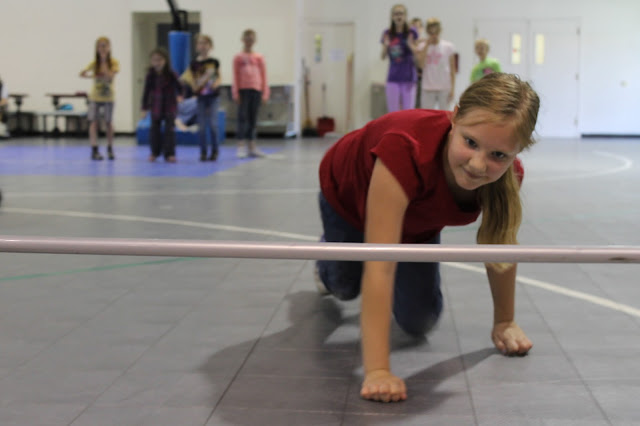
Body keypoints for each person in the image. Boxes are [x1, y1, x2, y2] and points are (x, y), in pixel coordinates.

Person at [317, 73, 539, 403]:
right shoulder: (405, 147)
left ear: (518, 150)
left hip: (416, 220)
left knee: (419, 321)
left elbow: (500, 246)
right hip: (349, 200)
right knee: (344, 286)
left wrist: (505, 321)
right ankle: (327, 259)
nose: (478, 165)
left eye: (498, 155)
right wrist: (377, 371)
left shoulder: (508, 177)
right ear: (454, 117)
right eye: (470, 143)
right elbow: (380, 265)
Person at [181, 34, 221, 161]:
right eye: (200, 43)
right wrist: (193, 87)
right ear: (196, 46)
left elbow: (218, 76)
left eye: (205, 43)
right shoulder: (193, 63)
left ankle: (215, 150)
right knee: (202, 126)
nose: (202, 46)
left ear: (210, 46)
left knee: (213, 125)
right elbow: (188, 78)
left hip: (213, 97)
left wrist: (216, 84)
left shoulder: (214, 62)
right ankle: (203, 151)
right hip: (201, 98)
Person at [79, 36, 119, 160]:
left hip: (108, 97)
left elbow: (109, 77)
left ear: (109, 47)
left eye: (104, 45)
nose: (102, 48)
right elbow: (82, 73)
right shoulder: (94, 63)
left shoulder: (113, 62)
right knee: (93, 122)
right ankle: (94, 149)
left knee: (108, 122)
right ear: (96, 48)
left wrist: (104, 62)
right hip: (95, 97)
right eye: (100, 46)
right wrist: (92, 75)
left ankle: (110, 148)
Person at [232, 29, 270, 158]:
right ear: (243, 40)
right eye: (247, 39)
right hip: (243, 90)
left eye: (251, 39)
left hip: (256, 90)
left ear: (254, 41)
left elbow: (264, 76)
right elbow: (235, 75)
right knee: (242, 118)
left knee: (253, 119)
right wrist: (236, 93)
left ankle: (252, 146)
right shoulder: (238, 58)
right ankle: (240, 146)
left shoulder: (259, 57)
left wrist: (265, 93)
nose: (249, 41)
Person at [141, 47, 182, 163]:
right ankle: (154, 152)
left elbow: (180, 87)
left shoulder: (172, 74)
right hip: (156, 106)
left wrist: (180, 95)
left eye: (159, 60)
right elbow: (146, 92)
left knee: (170, 131)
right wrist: (144, 108)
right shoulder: (150, 75)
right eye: (154, 60)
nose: (157, 63)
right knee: (154, 131)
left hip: (170, 106)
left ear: (165, 61)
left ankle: (170, 153)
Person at [381, 5, 418, 113]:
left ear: (405, 16)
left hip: (409, 78)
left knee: (408, 112)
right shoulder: (387, 33)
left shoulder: (412, 32)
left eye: (401, 13)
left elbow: (417, 55)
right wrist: (386, 46)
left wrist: (411, 45)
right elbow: (383, 56)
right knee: (393, 112)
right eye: (396, 14)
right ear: (392, 16)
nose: (399, 16)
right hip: (393, 77)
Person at [416, 18, 456, 110]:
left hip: (444, 88)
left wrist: (452, 89)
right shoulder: (422, 46)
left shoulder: (448, 47)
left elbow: (452, 70)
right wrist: (427, 45)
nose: (434, 35)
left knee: (445, 114)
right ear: (427, 31)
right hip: (427, 88)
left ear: (440, 30)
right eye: (431, 32)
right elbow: (420, 65)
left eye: (436, 32)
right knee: (426, 115)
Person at [410, 17, 426, 108]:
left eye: (417, 27)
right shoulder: (407, 44)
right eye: (413, 27)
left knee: (420, 106)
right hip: (408, 79)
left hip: (422, 80)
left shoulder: (425, 44)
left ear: (422, 29)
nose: (415, 30)